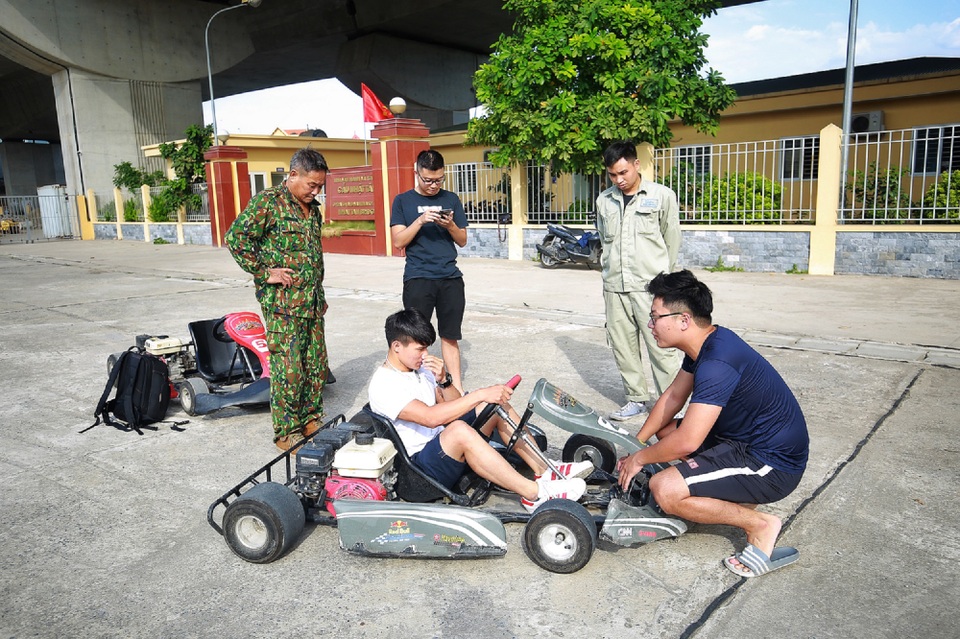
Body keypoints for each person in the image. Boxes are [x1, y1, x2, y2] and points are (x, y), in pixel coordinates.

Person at [616, 270, 809, 579]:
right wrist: (635, 445)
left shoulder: (718, 362)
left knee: (664, 489)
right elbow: (673, 397)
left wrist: (639, 459)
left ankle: (759, 526)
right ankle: (730, 492)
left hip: (771, 463)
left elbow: (689, 441)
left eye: (655, 317)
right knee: (665, 432)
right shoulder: (706, 342)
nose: (650, 325)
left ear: (683, 320)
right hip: (739, 440)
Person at [368, 308, 590, 513]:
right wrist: (480, 394)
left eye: (426, 348)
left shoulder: (419, 369)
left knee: (493, 407)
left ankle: (545, 470)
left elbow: (454, 404)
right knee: (460, 429)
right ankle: (533, 494)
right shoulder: (384, 384)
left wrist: (445, 380)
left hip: (440, 448)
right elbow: (430, 418)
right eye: (420, 349)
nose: (425, 354)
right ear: (397, 346)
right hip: (418, 472)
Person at [225, 148, 330, 451]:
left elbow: (313, 257)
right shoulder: (269, 202)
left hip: (311, 301)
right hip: (283, 303)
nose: (316, 191)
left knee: (315, 365)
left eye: (320, 186)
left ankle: (310, 419)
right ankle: (286, 432)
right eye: (311, 185)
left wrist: (319, 295)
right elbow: (236, 238)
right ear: (293, 174)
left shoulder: (312, 210)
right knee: (289, 368)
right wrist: (263, 272)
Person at [596, 140, 683, 421]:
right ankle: (636, 399)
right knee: (623, 346)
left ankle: (674, 405)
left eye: (623, 172)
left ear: (636, 164)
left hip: (651, 289)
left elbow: (672, 238)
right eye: (612, 175)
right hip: (615, 286)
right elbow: (604, 240)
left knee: (662, 346)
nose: (619, 180)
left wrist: (666, 282)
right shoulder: (604, 201)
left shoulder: (662, 195)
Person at [390, 149, 469, 392]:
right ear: (417, 173)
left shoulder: (451, 199)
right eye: (428, 180)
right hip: (418, 277)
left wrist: (450, 225)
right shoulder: (402, 201)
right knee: (414, 337)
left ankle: (456, 389)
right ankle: (415, 388)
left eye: (439, 180)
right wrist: (421, 220)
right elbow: (398, 241)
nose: (434, 185)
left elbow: (462, 240)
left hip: (450, 277)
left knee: (450, 335)